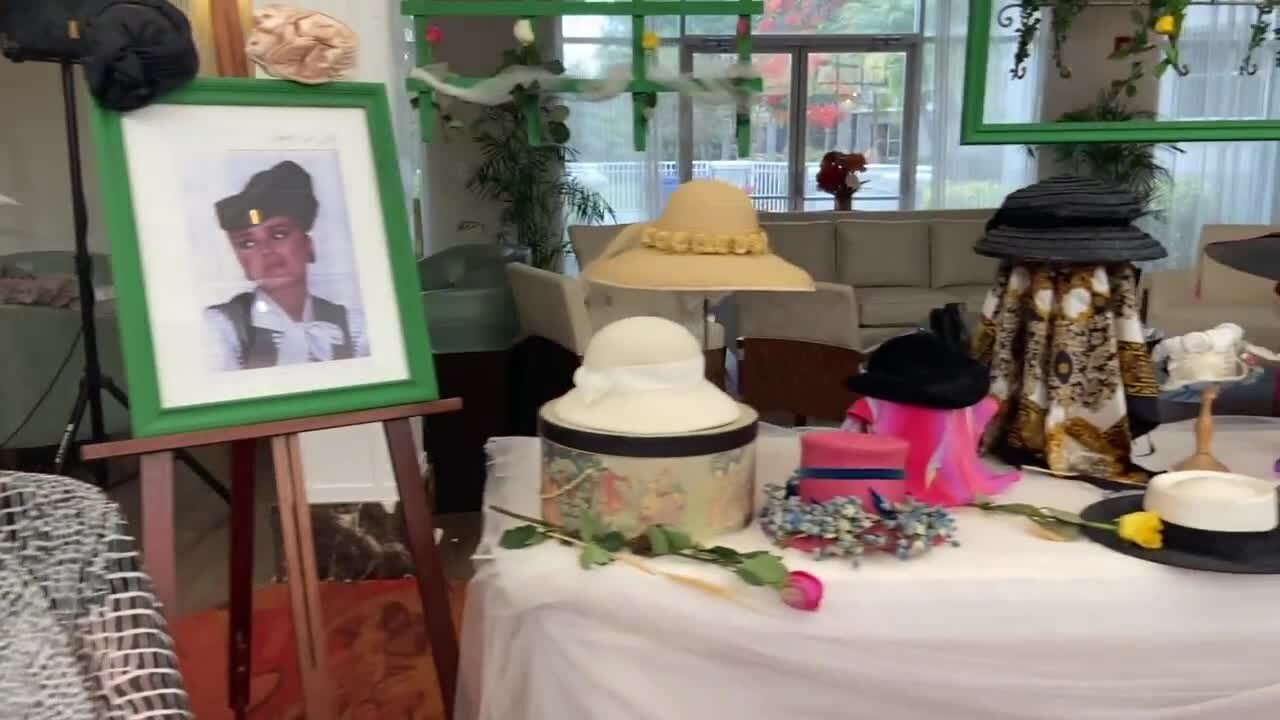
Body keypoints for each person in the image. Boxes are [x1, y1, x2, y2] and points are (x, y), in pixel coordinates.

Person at [205, 160, 369, 371]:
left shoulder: (353, 327)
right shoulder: (222, 328)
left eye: (279, 234)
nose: (265, 250)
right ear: (241, 261)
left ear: (308, 245)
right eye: (248, 243)